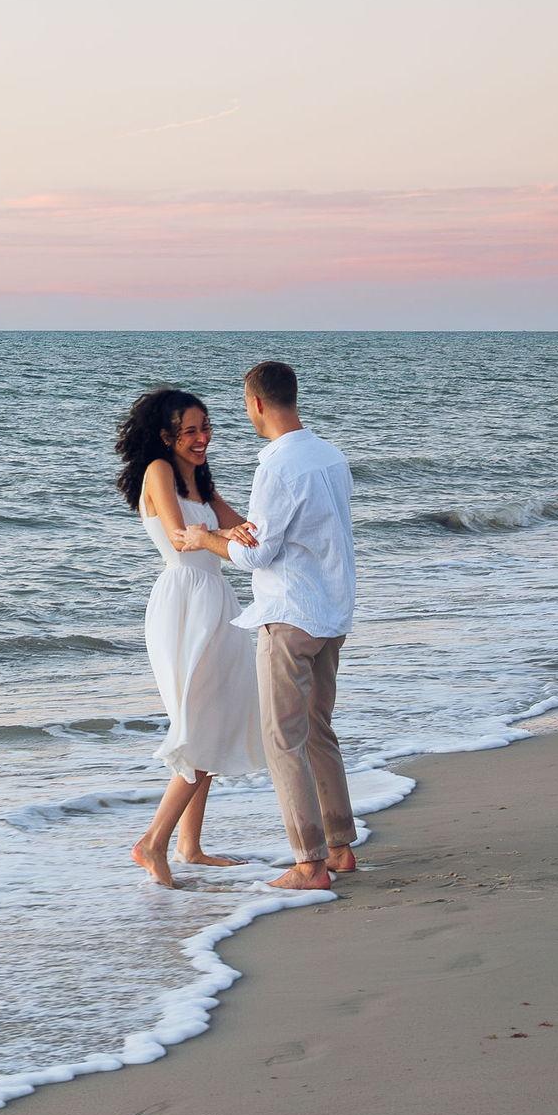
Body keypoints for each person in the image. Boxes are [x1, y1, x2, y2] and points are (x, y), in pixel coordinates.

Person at [175, 360, 356, 890]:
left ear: (255, 404)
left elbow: (257, 555)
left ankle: (309, 864)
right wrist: (240, 530)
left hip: (290, 614)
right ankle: (340, 848)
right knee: (319, 731)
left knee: (283, 739)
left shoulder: (276, 466)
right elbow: (307, 532)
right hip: (332, 610)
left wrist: (203, 538)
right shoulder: (330, 455)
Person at [114, 386, 266, 888]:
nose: (203, 439)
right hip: (184, 604)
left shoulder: (201, 479)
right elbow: (182, 540)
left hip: (218, 600)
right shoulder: (158, 471)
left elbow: (244, 529)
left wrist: (262, 528)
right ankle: (151, 843)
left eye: (207, 428)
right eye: (191, 431)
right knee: (198, 725)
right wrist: (226, 538)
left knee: (215, 721)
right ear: (166, 436)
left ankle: (189, 846)